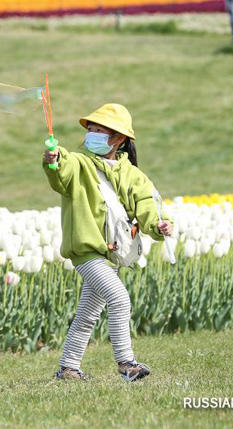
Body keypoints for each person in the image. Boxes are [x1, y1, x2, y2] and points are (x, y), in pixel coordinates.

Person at [43, 104, 173, 382]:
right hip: (87, 252)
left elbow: (148, 206)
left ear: (119, 139)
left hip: (111, 254)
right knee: (119, 299)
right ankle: (126, 363)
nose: (92, 135)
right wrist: (52, 160)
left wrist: (160, 226)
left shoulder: (134, 175)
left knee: (88, 313)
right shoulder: (78, 162)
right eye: (91, 130)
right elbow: (60, 172)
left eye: (100, 131)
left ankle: (68, 368)